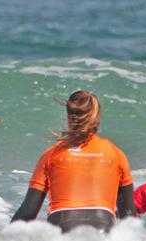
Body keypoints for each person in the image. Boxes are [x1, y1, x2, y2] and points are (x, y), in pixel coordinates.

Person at [11, 90, 136, 233]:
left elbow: (28, 213)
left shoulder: (51, 154)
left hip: (62, 224)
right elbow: (128, 218)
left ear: (68, 118)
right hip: (103, 225)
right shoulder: (116, 153)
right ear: (96, 118)